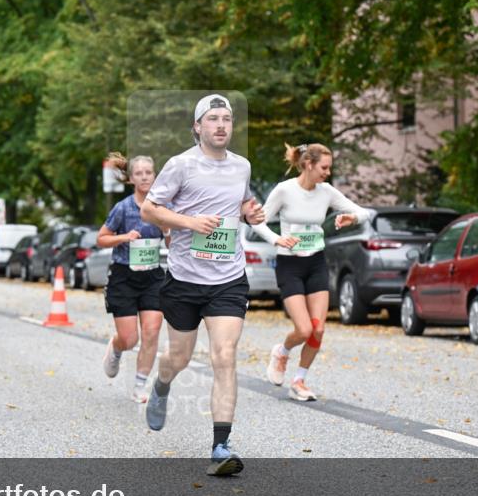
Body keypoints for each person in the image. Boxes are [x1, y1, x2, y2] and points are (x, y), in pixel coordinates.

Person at [139, 94, 265, 476]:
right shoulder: (181, 165)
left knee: (224, 355)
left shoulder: (241, 166)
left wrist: (250, 211)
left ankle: (220, 445)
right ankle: (161, 385)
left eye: (226, 118)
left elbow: (241, 203)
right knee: (178, 357)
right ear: (197, 127)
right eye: (213, 118)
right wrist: (189, 223)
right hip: (184, 279)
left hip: (228, 278)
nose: (221, 125)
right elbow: (150, 209)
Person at [254, 143, 369, 400]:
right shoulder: (285, 190)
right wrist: (276, 240)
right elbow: (258, 220)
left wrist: (353, 218)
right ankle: (282, 352)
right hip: (289, 265)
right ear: (308, 164)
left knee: (318, 330)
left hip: (316, 263)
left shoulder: (326, 192)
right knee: (304, 329)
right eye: (324, 167)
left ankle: (299, 381)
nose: (328, 173)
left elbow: (363, 211)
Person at [98, 151, 167, 404]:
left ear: (155, 176)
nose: (145, 177)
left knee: (151, 332)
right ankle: (116, 348)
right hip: (124, 276)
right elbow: (101, 238)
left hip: (152, 276)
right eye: (139, 173)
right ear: (131, 179)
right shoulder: (123, 208)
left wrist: (169, 230)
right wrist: (123, 237)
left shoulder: (162, 208)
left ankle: (140, 385)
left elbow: (171, 240)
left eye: (148, 172)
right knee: (130, 338)